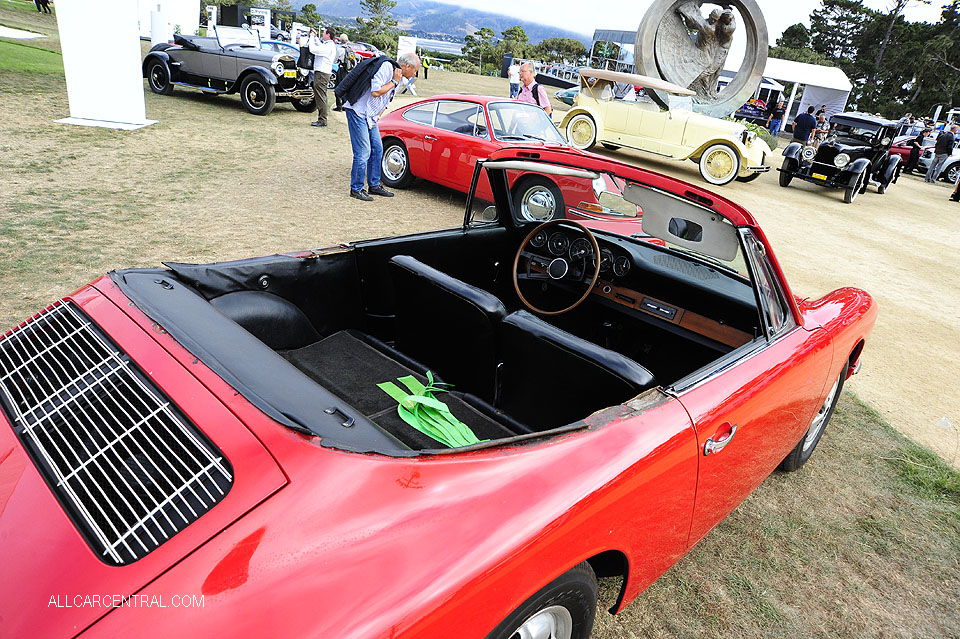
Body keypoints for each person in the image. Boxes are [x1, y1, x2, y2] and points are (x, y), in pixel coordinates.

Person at [343, 52, 421, 201]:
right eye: (415, 70)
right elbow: (376, 91)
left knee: (378, 149)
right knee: (363, 151)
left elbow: (386, 99)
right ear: (408, 66)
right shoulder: (387, 68)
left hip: (370, 116)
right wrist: (393, 81)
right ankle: (356, 188)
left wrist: (378, 115)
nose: (415, 73)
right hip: (358, 111)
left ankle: (374, 185)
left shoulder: (399, 78)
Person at [308, 25, 337, 127]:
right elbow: (319, 46)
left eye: (324, 32)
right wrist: (315, 38)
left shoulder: (328, 46)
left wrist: (311, 37)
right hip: (323, 72)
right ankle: (322, 118)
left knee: (320, 96)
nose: (323, 34)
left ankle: (322, 119)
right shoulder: (329, 45)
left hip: (322, 73)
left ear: (328, 34)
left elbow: (313, 49)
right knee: (322, 95)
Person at [333, 34, 355, 112]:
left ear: (340, 40)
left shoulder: (339, 49)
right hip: (348, 70)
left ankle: (339, 106)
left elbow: (335, 60)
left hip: (341, 69)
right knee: (345, 87)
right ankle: (345, 105)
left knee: (338, 87)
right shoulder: (350, 49)